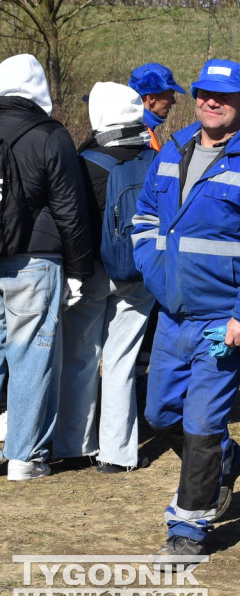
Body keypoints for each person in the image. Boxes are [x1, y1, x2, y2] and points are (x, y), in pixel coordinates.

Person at [132, 58, 240, 561]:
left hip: (221, 321)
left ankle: (189, 528)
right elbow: (144, 216)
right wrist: (151, 268)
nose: (210, 101)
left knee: (200, 424)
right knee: (160, 414)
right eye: (202, 92)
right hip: (171, 314)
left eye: (223, 96)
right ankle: (227, 457)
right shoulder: (174, 146)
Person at [53, 82, 157, 473]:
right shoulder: (156, 160)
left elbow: (72, 221)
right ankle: (118, 454)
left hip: (92, 271)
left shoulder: (84, 162)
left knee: (81, 358)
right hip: (139, 272)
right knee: (122, 361)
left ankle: (74, 445)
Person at [0, 54, 93, 481]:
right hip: (35, 260)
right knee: (31, 355)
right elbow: (70, 210)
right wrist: (78, 268)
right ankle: (25, 454)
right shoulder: (50, 135)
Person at [128, 63, 186, 151]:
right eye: (170, 97)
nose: (174, 102)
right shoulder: (141, 137)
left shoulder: (129, 125)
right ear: (151, 98)